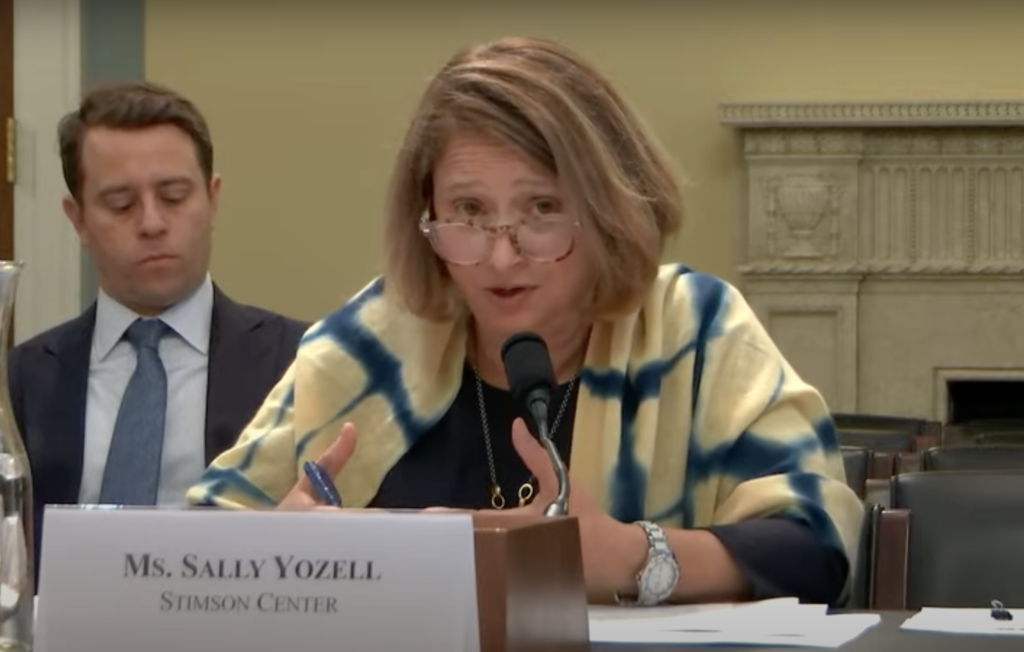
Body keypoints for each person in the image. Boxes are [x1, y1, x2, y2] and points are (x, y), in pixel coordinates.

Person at [189, 37, 863, 606]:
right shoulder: (369, 345)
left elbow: (816, 546)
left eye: (541, 209)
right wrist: (272, 555)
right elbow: (189, 552)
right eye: (469, 212)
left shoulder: (696, 329)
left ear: (609, 210)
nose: (501, 256)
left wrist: (628, 555)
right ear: (426, 216)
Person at [8, 82, 309, 578]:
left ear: (212, 199)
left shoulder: (298, 363)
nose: (151, 223)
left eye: (173, 196)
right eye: (120, 204)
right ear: (78, 219)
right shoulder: (19, 382)